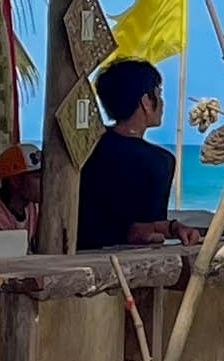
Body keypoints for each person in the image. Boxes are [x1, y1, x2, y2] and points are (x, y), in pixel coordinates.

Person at [78, 57, 191, 248]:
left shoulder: (86, 147)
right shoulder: (158, 162)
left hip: (78, 252)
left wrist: (172, 227)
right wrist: (170, 228)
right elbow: (150, 229)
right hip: (128, 263)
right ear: (146, 101)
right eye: (159, 94)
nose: (162, 103)